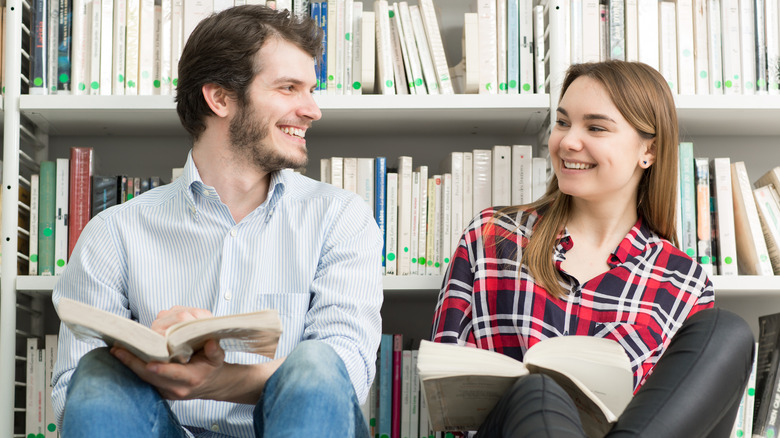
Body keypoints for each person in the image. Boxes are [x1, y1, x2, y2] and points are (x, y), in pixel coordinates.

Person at [51, 5, 382, 438]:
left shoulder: (341, 217)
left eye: (311, 90)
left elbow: (347, 373)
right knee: (97, 372)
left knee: (318, 363)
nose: (312, 110)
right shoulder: (115, 231)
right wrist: (146, 359)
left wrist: (224, 382)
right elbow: (68, 394)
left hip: (288, 427)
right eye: (289, 88)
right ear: (220, 98)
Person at [430, 60, 754, 437]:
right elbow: (447, 400)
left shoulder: (684, 282)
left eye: (596, 127)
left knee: (727, 330)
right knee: (540, 391)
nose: (568, 141)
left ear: (648, 150)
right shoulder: (492, 237)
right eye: (563, 122)